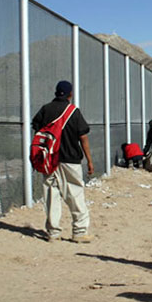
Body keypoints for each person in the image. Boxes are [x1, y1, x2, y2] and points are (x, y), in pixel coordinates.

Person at [31, 80, 94, 243]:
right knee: (75, 194)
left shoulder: (45, 109)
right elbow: (83, 137)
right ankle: (79, 231)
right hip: (70, 159)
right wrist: (89, 160)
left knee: (51, 195)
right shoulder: (73, 111)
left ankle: (53, 232)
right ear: (70, 94)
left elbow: (37, 130)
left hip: (49, 160)